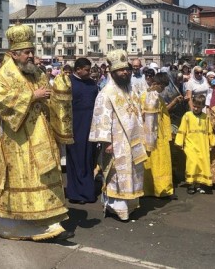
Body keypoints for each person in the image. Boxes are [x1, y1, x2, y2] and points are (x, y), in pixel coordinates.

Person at [0, 25, 73, 241]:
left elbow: (48, 98)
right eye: (26, 52)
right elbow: (3, 103)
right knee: (18, 182)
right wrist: (32, 96)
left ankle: (47, 223)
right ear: (14, 54)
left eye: (32, 50)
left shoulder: (37, 73)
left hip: (39, 136)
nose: (31, 55)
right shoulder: (2, 76)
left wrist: (60, 92)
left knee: (43, 178)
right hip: (15, 141)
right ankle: (12, 228)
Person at [89, 49, 147, 221]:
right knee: (117, 175)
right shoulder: (105, 94)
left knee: (133, 173)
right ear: (112, 72)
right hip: (116, 142)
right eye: (121, 70)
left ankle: (130, 204)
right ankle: (116, 206)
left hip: (134, 140)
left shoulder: (131, 90)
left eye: (127, 69)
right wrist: (106, 142)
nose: (125, 72)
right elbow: (101, 119)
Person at [65, 58, 99, 204]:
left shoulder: (92, 83)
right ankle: (76, 193)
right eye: (86, 69)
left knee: (89, 157)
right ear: (77, 69)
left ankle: (88, 190)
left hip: (90, 125)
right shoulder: (68, 82)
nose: (88, 72)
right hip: (75, 126)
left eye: (89, 69)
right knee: (77, 158)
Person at [141, 72, 177, 199]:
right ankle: (157, 189)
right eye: (162, 86)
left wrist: (174, 102)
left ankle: (161, 188)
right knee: (154, 162)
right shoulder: (147, 96)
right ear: (156, 84)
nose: (163, 89)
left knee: (160, 161)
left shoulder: (157, 96)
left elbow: (164, 111)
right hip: (151, 134)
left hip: (160, 133)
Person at [175, 94, 215, 194]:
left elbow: (209, 131)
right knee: (192, 163)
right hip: (190, 144)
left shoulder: (205, 117)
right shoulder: (187, 116)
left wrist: (212, 142)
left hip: (203, 145)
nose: (196, 108)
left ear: (203, 107)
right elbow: (182, 129)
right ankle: (190, 184)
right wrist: (179, 142)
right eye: (194, 106)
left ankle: (199, 183)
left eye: (199, 107)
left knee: (202, 163)